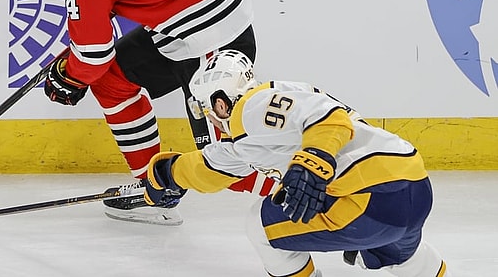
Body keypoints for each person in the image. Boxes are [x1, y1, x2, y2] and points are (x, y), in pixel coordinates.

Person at [30, 0, 271, 226]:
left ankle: (323, 194)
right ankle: (154, 187)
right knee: (114, 81)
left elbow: (92, 56)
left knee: (224, 162)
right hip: (208, 13)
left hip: (209, 44)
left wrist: (70, 76)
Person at [143, 50, 450, 276]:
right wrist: (167, 175)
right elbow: (216, 166)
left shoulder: (251, 107)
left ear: (220, 102)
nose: (208, 117)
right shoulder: (257, 131)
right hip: (414, 188)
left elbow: (330, 120)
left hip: (370, 199)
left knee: (259, 224)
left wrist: (311, 163)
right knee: (404, 258)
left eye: (205, 108)